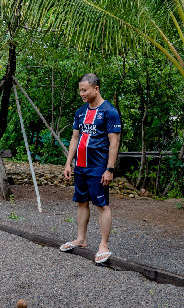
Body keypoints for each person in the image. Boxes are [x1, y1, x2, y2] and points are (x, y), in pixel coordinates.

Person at [61, 73, 121, 264]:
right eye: (80, 90)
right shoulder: (80, 112)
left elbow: (114, 142)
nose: (81, 93)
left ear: (96, 89)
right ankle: (81, 239)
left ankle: (103, 245)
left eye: (84, 90)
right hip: (80, 166)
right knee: (81, 202)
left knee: (101, 205)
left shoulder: (109, 112)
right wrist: (68, 162)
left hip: (98, 167)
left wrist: (109, 169)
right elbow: (74, 138)